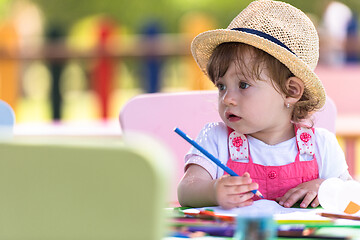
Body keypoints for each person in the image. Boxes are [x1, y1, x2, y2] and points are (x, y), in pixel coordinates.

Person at [177, 0, 352, 210]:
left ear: (291, 91)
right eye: (221, 86)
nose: (227, 99)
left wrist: (325, 188)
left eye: (243, 85)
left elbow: (353, 200)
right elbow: (186, 191)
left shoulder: (321, 146)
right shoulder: (216, 139)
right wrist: (213, 190)